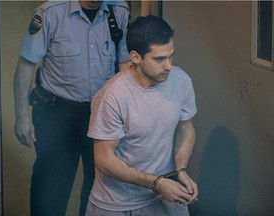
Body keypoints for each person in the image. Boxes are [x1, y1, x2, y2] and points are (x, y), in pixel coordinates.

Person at [13, 1, 131, 216]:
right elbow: (26, 64)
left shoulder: (119, 9)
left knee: (99, 191)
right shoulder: (50, 12)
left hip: (101, 116)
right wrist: (21, 116)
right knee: (49, 192)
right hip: (56, 115)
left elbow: (125, 65)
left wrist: (129, 115)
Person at [85, 15, 198, 216]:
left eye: (171, 56)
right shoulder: (112, 96)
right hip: (117, 204)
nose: (168, 66)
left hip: (166, 196)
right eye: (159, 59)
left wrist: (180, 170)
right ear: (136, 57)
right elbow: (103, 159)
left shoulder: (180, 80)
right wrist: (156, 182)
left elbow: (185, 127)